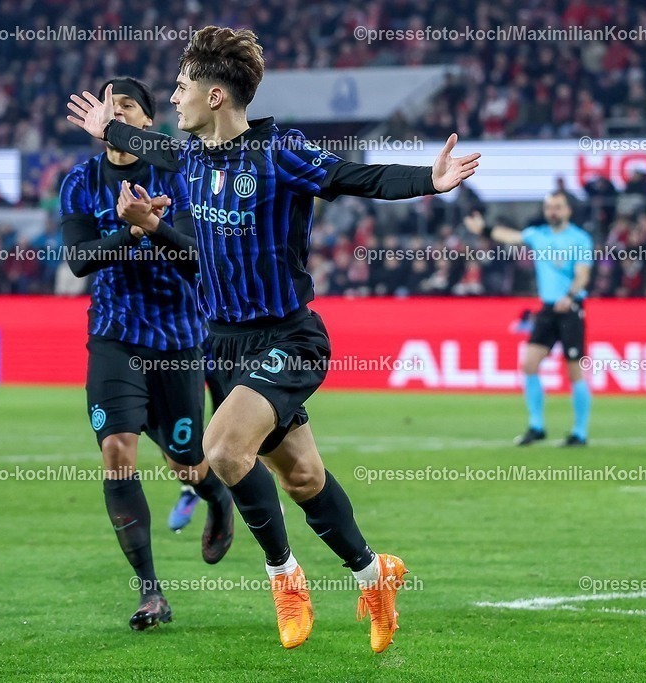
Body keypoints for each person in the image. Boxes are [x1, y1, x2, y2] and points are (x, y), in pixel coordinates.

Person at [66, 26, 479, 651]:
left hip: (289, 336)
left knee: (224, 450)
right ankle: (374, 574)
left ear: (212, 96)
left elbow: (351, 177)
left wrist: (429, 177)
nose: (172, 98)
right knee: (305, 478)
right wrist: (121, 162)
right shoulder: (190, 160)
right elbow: (149, 161)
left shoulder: (278, 153)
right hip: (224, 345)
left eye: (179, 87)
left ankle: (285, 578)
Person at [60, 76, 235, 630]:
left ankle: (214, 496)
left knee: (185, 461)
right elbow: (79, 260)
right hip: (113, 335)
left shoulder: (178, 173)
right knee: (117, 449)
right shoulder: (80, 182)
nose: (114, 113)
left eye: (126, 105)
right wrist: (130, 235)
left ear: (149, 120)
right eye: (107, 105)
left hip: (178, 337)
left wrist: (153, 226)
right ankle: (151, 592)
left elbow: (195, 258)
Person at [465, 192, 593, 446]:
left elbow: (583, 275)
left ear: (567, 210)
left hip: (571, 308)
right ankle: (537, 425)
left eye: (557, 207)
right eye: (549, 207)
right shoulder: (538, 234)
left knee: (574, 371)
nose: (553, 211)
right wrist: (485, 229)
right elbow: (511, 236)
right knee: (529, 364)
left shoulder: (579, 238)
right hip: (547, 308)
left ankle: (579, 431)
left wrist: (569, 295)